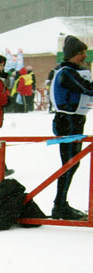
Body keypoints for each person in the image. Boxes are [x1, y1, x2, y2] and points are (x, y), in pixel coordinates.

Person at [50, 35, 93, 220]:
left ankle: (61, 203)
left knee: (72, 163)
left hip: (75, 120)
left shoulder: (73, 71)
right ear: (72, 55)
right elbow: (85, 88)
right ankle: (59, 205)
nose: (84, 56)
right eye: (81, 53)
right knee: (69, 164)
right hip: (67, 121)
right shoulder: (66, 72)